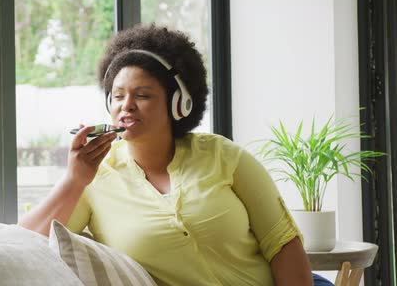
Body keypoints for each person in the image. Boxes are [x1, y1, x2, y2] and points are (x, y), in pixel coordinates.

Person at [19, 24, 332, 286]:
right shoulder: (94, 179)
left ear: (179, 104)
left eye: (142, 95)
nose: (126, 105)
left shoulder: (224, 157)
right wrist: (74, 180)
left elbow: (284, 246)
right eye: (117, 96)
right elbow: (22, 245)